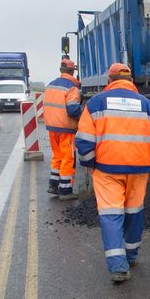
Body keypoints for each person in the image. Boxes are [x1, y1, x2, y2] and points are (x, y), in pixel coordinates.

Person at [75, 63, 150, 283]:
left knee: (111, 215)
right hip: (139, 169)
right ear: (131, 82)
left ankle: (118, 266)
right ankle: (131, 255)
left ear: (109, 81)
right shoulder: (147, 106)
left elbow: (84, 141)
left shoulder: (96, 104)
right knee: (134, 211)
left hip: (107, 169)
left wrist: (90, 163)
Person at [44, 58, 83, 200]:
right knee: (68, 158)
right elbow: (73, 109)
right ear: (73, 71)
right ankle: (66, 191)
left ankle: (53, 185)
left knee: (57, 155)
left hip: (52, 126)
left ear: (61, 70)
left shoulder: (50, 85)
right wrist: (83, 116)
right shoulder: (72, 87)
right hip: (66, 127)